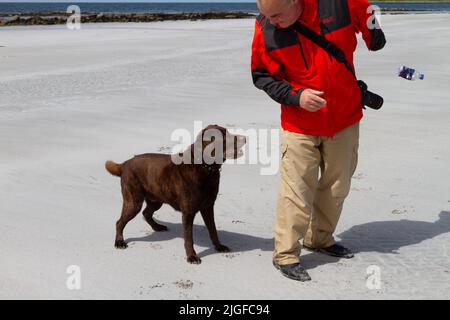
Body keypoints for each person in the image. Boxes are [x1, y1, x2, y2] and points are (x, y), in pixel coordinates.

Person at [251, 0, 386, 281]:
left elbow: (371, 18)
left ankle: (320, 239)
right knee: (296, 190)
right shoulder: (265, 25)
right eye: (266, 16)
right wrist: (295, 96)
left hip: (345, 117)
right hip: (299, 124)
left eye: (276, 15)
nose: (271, 21)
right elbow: (262, 76)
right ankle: (286, 255)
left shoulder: (339, 5)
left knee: (337, 185)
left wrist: (375, 31)